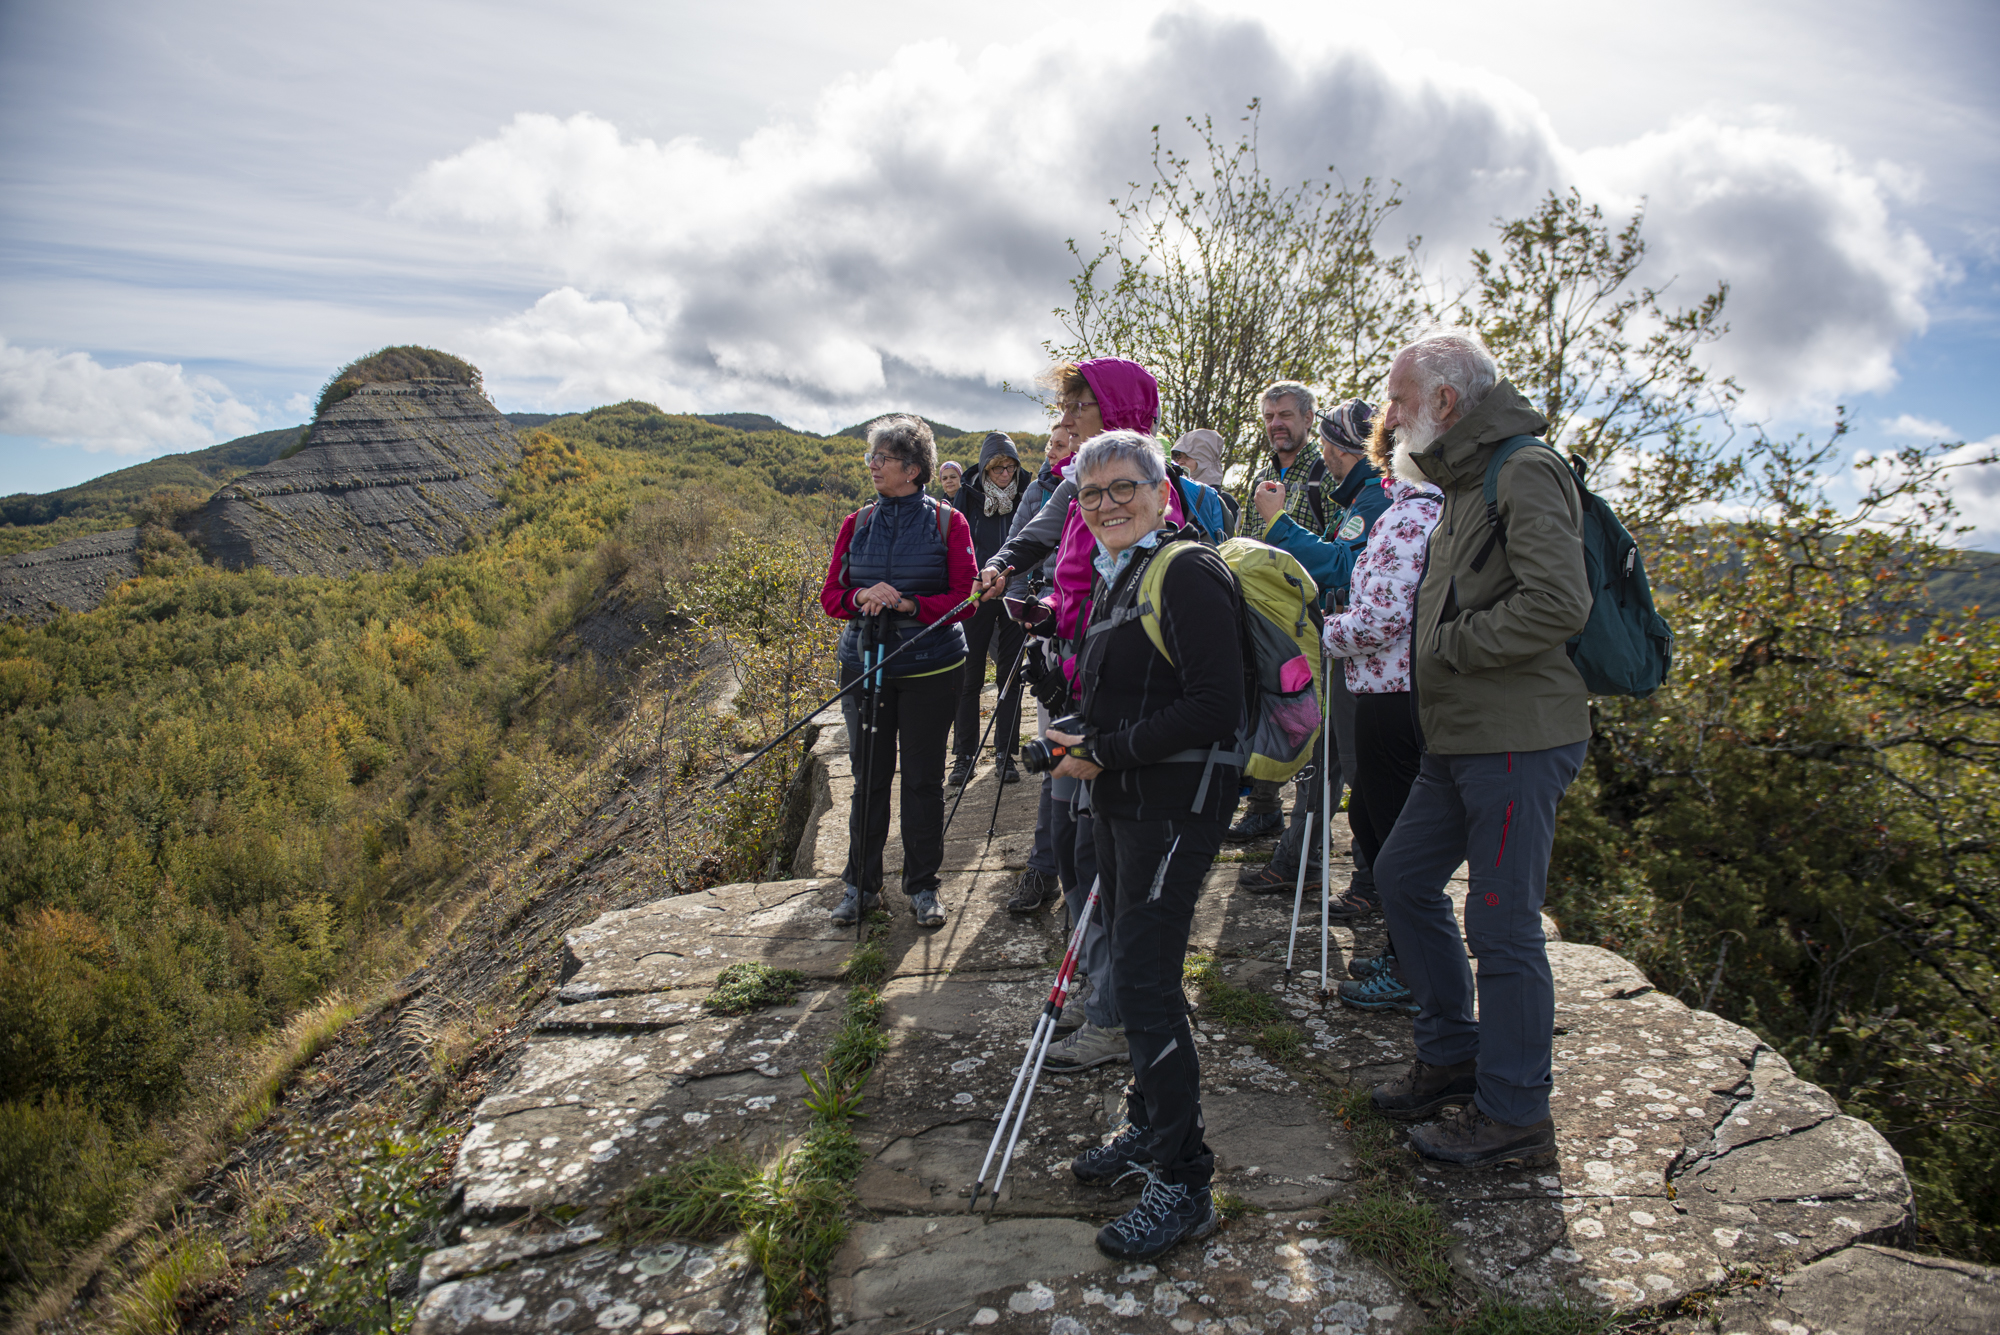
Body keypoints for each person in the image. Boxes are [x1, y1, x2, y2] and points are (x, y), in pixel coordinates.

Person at [1363, 328, 1592, 1171]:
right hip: (1458, 737)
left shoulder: (1523, 469)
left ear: (1446, 405)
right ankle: (1453, 1051)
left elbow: (1558, 605)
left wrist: (1452, 647)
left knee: (1499, 923)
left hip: (1515, 740)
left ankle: (1515, 1114)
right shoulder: (1460, 477)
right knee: (1401, 875)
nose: (1388, 417)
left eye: (1398, 400)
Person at [1049, 429, 1245, 1261]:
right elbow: (1133, 696)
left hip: (1174, 807)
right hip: (1127, 802)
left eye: (1123, 487)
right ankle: (1148, 1123)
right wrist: (1079, 736)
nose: (1106, 504)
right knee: (1138, 977)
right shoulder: (1121, 572)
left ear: (1165, 493)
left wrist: (1109, 752)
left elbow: (1214, 704)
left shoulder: (1189, 571)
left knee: (1144, 979)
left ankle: (1184, 1181)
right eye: (1092, 494)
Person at [818, 415, 978, 928]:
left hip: (931, 669)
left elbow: (965, 599)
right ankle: (860, 887)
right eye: (872, 457)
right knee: (868, 779)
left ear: (912, 469)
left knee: (924, 781)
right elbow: (831, 597)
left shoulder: (949, 523)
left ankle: (924, 887)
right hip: (864, 665)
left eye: (880, 459)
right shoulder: (856, 523)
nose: (872, 466)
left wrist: (910, 605)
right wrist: (862, 595)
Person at [1311, 416, 1445, 1013]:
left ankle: (1409, 962)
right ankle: (1402, 949)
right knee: (1372, 817)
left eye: (1387, 453)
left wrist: (1324, 631)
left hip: (1395, 693)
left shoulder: (1414, 516)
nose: (1381, 462)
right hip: (1392, 689)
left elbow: (1382, 617)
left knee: (1389, 834)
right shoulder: (1426, 508)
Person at [1236, 401, 1390, 906]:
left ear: (1346, 448)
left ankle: (1365, 884)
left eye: (1328, 443)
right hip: (1343, 646)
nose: (1324, 454)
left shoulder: (1374, 498)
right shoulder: (1359, 497)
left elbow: (1343, 565)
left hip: (1362, 653)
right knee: (1328, 760)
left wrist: (1278, 523)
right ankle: (1300, 863)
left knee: (1350, 765)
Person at [1223, 380, 1327, 844]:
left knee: (1304, 708)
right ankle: (1264, 807)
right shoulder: (1262, 474)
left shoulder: (1323, 474)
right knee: (1264, 702)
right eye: (1268, 417)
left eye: (1284, 415)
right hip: (1260, 611)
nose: (1276, 425)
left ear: (1308, 418)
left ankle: (1304, 826)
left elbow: (1328, 547)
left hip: (1306, 613)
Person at [1001, 421, 1079, 916]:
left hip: (1106, 636)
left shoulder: (1145, 479)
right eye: (1055, 439)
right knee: (1055, 757)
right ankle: (1045, 868)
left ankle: (1079, 882)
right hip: (1055, 629)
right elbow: (1023, 541)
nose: (1061, 445)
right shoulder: (1051, 488)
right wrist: (1014, 591)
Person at [948, 433, 1030, 786]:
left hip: (1015, 596)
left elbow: (1035, 543)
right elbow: (957, 546)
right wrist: (972, 583)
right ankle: (964, 756)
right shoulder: (965, 496)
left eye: (1010, 467)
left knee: (1009, 678)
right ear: (984, 468)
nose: (1005, 474)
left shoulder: (1029, 494)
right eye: (998, 468)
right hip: (976, 598)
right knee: (970, 678)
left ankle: (1004, 754)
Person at [1171, 429, 1237, 533]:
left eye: (1188, 457)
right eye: (1178, 457)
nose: (1180, 462)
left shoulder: (1225, 501)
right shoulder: (1177, 495)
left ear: (1205, 459)